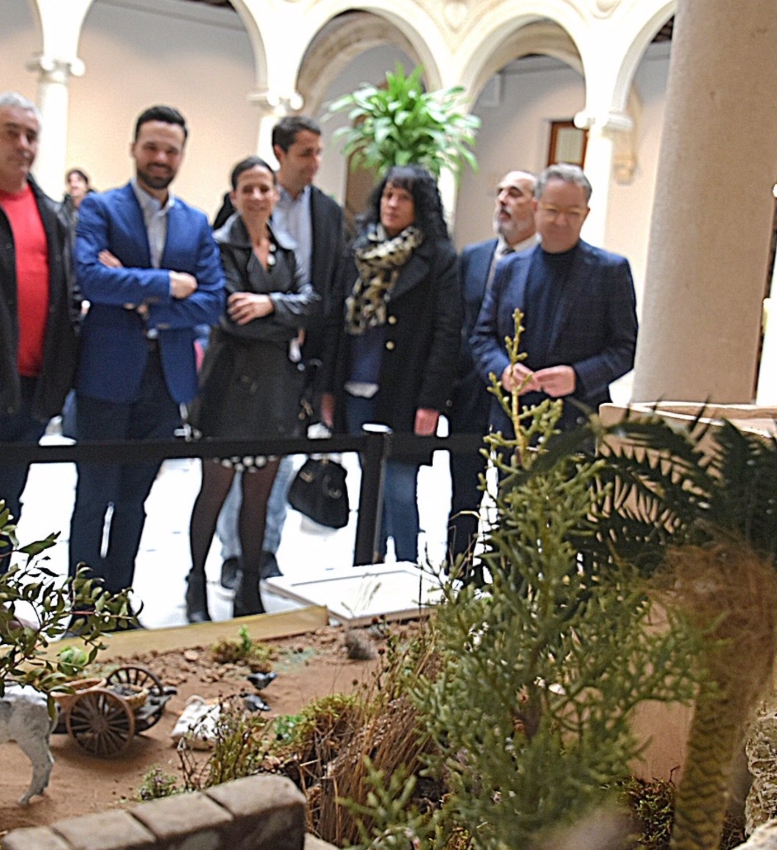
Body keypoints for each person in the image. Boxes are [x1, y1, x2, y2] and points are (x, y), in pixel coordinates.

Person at [70, 105, 224, 608]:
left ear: (181, 155)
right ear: (134, 147)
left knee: (135, 500)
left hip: (165, 380)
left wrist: (139, 299)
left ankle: (117, 603)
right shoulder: (100, 209)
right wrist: (167, 286)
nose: (161, 158)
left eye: (171, 150)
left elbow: (211, 300)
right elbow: (90, 277)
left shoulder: (195, 222)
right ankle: (82, 607)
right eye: (152, 147)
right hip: (106, 377)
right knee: (93, 498)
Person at [211, 115, 350, 590]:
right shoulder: (234, 213)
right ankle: (232, 555)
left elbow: (321, 301)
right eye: (305, 153)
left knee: (279, 460)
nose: (315, 163)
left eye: (318, 153)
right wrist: (282, 317)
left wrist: (273, 309)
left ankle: (265, 552)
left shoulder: (329, 214)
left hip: (301, 361)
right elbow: (227, 304)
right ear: (280, 152)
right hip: (241, 364)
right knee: (234, 464)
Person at [185, 156, 317, 622]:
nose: (258, 196)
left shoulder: (288, 248)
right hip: (227, 388)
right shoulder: (220, 245)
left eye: (265, 188)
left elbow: (310, 305)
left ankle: (248, 586)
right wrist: (280, 318)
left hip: (276, 390)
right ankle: (197, 580)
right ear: (235, 194)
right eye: (249, 188)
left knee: (261, 495)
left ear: (275, 194)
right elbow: (227, 316)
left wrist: (266, 305)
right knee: (215, 491)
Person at [324, 164, 462, 563]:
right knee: (370, 489)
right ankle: (366, 571)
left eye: (404, 198)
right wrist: (328, 388)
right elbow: (336, 321)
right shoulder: (359, 250)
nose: (393, 204)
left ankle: (407, 580)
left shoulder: (437, 258)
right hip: (355, 387)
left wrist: (431, 401)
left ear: (420, 207)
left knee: (400, 490)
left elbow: (447, 332)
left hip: (405, 392)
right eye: (388, 195)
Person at [0, 92, 81, 524]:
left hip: (33, 389)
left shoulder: (52, 213)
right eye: (11, 133)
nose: (23, 144)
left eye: (31, 135)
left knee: (5, 507)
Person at [470, 163, 638, 438]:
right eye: (552, 211)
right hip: (514, 421)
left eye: (573, 213)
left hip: (576, 424)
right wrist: (503, 370)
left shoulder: (610, 271)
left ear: (586, 214)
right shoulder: (509, 268)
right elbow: (483, 337)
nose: (561, 221)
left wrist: (578, 376)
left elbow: (626, 348)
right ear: (536, 207)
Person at [446, 170, 538, 568]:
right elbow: (458, 327)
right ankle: (457, 572)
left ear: (536, 206)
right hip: (469, 396)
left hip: (522, 400)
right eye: (499, 192)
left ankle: (505, 573)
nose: (502, 200)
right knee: (462, 491)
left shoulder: (543, 263)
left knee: (512, 493)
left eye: (514, 194)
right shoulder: (475, 256)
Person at [62, 167, 94, 232]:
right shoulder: (63, 210)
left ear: (86, 186)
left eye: (78, 180)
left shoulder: (96, 208)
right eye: (70, 181)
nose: (73, 185)